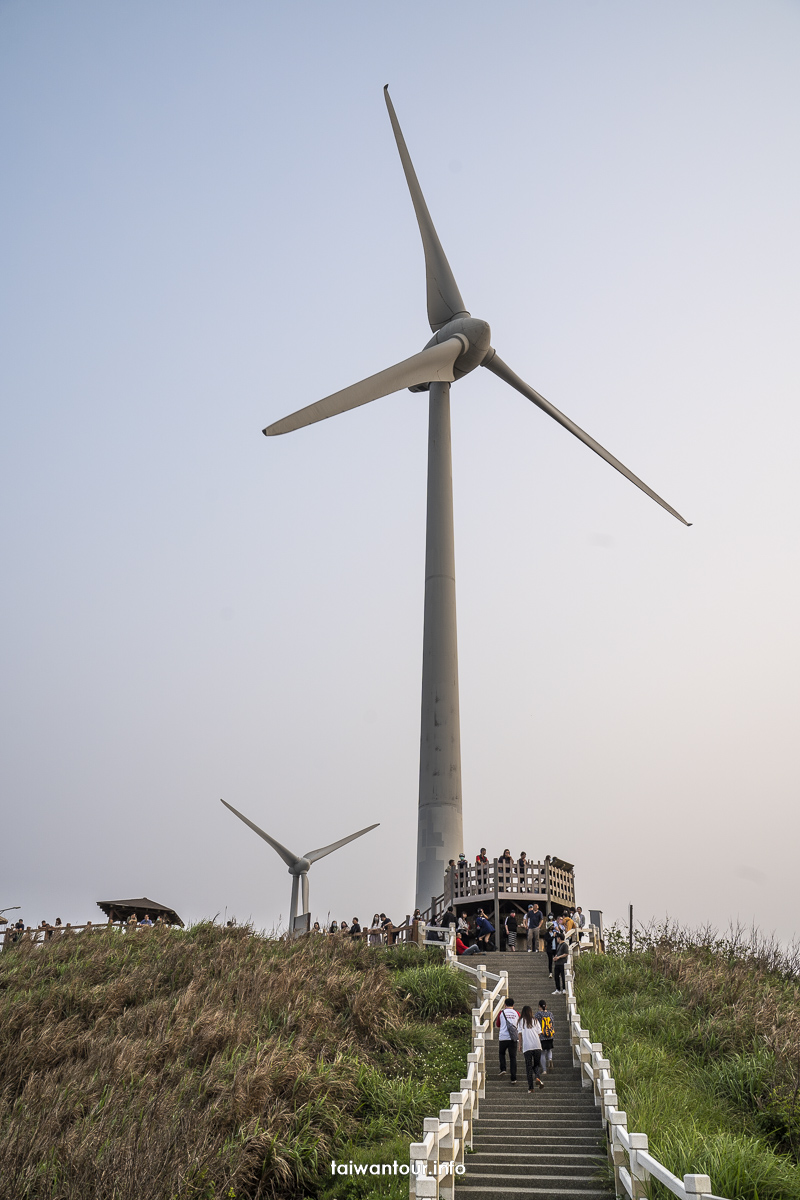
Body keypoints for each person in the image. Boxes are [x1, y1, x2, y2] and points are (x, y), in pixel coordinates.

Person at [518, 1005, 545, 1091]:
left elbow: (519, 1034)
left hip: (527, 1047)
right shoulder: (535, 1020)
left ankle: (531, 1088)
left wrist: (520, 1045)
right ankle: (537, 1077)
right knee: (536, 1065)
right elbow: (539, 1033)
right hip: (537, 1046)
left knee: (528, 1067)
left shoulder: (521, 1021)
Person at [496, 997, 520, 1082]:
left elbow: (498, 1024)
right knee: (513, 1057)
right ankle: (513, 1078)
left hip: (503, 1037)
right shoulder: (517, 1013)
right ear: (513, 1005)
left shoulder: (501, 1013)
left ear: (505, 1005)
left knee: (501, 1053)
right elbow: (519, 1025)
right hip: (513, 1038)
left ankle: (503, 1068)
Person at [535, 1000, 555, 1074]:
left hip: (542, 1036)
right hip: (550, 1035)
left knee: (542, 1053)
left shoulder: (538, 1014)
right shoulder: (550, 1014)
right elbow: (552, 1023)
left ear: (539, 1006)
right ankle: (550, 1059)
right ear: (545, 1006)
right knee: (549, 1050)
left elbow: (535, 1023)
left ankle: (544, 1070)